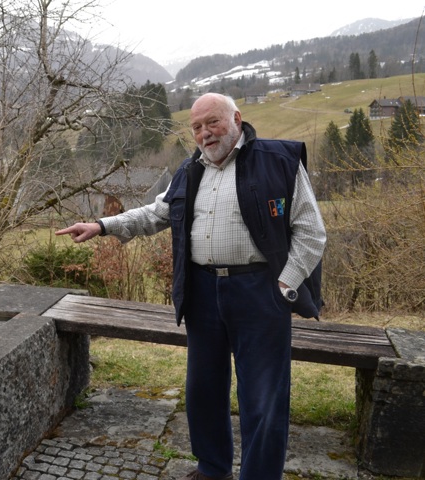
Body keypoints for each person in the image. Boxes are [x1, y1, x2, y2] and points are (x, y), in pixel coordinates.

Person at [55, 93, 326, 480]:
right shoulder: (190, 170)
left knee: (264, 398)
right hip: (203, 293)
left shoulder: (279, 161)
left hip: (259, 293)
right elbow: (156, 213)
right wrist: (102, 226)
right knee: (203, 390)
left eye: (211, 122)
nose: (204, 133)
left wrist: (285, 284)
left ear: (236, 118)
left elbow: (311, 232)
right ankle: (213, 469)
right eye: (196, 127)